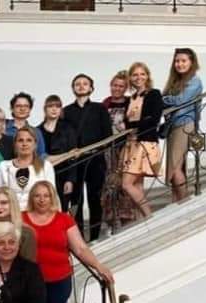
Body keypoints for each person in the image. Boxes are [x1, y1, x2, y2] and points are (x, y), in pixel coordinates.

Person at [23, 181, 114, 303]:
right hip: (30, 282)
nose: (42, 199)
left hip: (59, 281)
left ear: (52, 198)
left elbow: (80, 248)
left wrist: (98, 266)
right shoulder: (21, 219)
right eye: (37, 196)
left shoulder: (64, 219)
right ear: (31, 198)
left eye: (46, 196)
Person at [63, 74, 113, 240]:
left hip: (95, 159)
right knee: (75, 200)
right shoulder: (66, 111)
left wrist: (98, 149)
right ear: (73, 88)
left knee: (95, 198)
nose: (81, 86)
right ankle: (78, 238)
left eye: (85, 84)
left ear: (91, 88)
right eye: (77, 84)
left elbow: (107, 134)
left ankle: (94, 237)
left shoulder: (100, 109)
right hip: (75, 162)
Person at [120, 62, 164, 219]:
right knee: (137, 184)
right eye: (135, 75)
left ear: (147, 76)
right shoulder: (130, 99)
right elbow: (127, 123)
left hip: (144, 142)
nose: (138, 77)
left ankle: (149, 215)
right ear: (130, 78)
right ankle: (142, 219)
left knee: (126, 184)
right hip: (130, 143)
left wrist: (134, 126)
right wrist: (133, 126)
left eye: (142, 74)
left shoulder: (154, 94)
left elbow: (153, 119)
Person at [163, 48, 203, 202]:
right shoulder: (176, 82)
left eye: (183, 61)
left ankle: (186, 202)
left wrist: (163, 99)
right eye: (177, 61)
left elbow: (181, 100)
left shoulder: (195, 81)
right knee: (175, 168)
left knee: (174, 168)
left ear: (192, 62)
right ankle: (178, 202)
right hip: (174, 126)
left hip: (185, 124)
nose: (179, 64)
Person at [0, 126, 56, 210]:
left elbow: (52, 196)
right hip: (9, 214)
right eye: (20, 140)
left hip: (37, 214)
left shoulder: (46, 166)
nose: (24, 144)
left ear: (35, 144)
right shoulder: (3, 166)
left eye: (29, 140)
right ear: (15, 144)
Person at [101, 71, 136, 232]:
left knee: (125, 182)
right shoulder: (104, 104)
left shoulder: (130, 102)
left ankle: (127, 218)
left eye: (121, 86)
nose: (117, 88)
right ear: (111, 86)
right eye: (115, 85)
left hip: (126, 147)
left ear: (125, 88)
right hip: (108, 149)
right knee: (109, 184)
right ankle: (111, 219)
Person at [38, 95, 78, 211]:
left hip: (63, 175)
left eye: (57, 106)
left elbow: (73, 156)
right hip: (43, 175)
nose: (54, 109)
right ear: (45, 109)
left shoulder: (68, 129)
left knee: (62, 209)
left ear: (61, 109)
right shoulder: (37, 130)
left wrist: (70, 180)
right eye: (50, 106)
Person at [5, 92, 47, 158]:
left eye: (26, 106)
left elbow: (41, 157)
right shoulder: (3, 129)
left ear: (30, 109)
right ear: (12, 108)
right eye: (18, 106)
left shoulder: (36, 132)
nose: (22, 109)